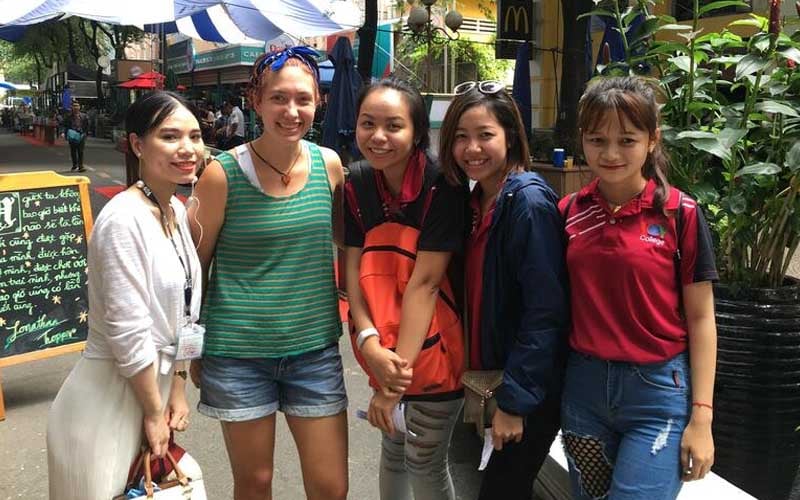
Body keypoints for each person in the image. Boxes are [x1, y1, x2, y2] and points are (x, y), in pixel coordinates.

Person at [188, 46, 347, 500]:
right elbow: (193, 269)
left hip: (313, 350)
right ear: (255, 100)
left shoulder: (329, 165)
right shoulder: (221, 175)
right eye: (278, 98)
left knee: (330, 487)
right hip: (238, 353)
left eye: (303, 99)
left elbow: (343, 242)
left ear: (319, 102)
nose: (291, 111)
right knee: (255, 484)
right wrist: (190, 351)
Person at [559, 76, 717, 499]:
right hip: (583, 392)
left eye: (627, 140)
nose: (610, 153)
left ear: (652, 140)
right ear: (582, 140)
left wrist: (701, 417)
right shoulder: (568, 213)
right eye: (597, 139)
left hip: (657, 394)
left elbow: (702, 317)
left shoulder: (680, 213)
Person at [47, 91, 204, 499]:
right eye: (170, 137)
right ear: (137, 144)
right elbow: (127, 329)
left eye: (195, 135)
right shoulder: (123, 219)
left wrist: (179, 388)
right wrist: (154, 410)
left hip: (154, 391)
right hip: (107, 403)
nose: (187, 148)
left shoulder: (177, 211)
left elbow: (187, 315)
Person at [438, 81, 569, 499]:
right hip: (493, 383)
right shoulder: (478, 200)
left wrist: (515, 403)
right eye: (461, 136)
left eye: (484, 135)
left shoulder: (527, 202)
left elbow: (545, 310)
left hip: (523, 392)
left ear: (510, 136)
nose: (471, 148)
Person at [344, 78, 467, 500]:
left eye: (393, 126)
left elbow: (427, 283)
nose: (378, 137)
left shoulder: (442, 186)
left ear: (417, 133)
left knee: (425, 465)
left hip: (433, 353)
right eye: (367, 124)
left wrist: (392, 384)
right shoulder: (357, 182)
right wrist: (368, 341)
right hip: (381, 350)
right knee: (393, 453)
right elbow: (352, 271)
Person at [65, 101, 89, 171]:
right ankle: (74, 164)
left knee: (80, 151)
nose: (76, 107)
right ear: (72, 107)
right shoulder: (68, 117)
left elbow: (87, 125)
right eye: (74, 106)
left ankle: (81, 166)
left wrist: (85, 133)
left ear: (79, 107)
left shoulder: (84, 116)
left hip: (81, 135)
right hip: (72, 135)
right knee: (73, 151)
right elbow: (65, 125)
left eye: (77, 106)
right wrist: (66, 134)